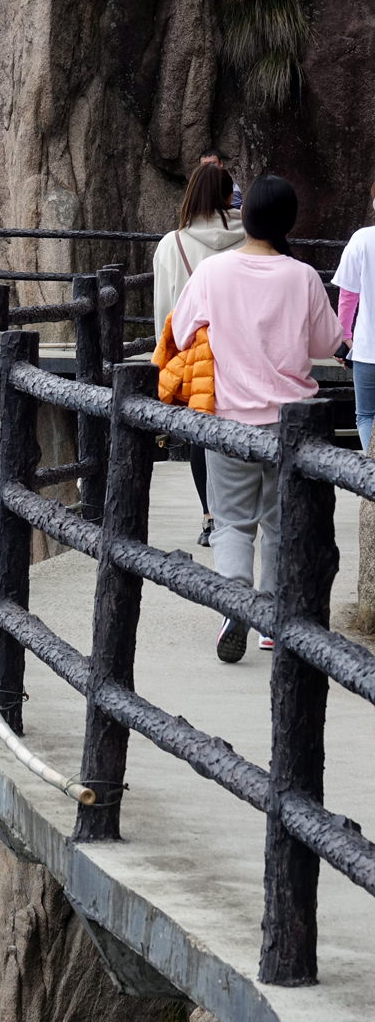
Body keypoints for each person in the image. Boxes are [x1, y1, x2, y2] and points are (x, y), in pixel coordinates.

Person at [169, 174, 343, 663]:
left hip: (230, 420)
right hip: (292, 424)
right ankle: (271, 617)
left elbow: (180, 332)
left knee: (231, 522)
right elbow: (325, 343)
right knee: (282, 523)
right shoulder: (302, 277)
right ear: (288, 221)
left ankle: (235, 604)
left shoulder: (213, 272)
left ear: (243, 216)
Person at [154, 164, 245, 545]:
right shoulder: (250, 237)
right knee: (244, 427)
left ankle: (210, 517)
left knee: (200, 434)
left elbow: (166, 311)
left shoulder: (172, 244)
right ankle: (241, 515)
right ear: (229, 196)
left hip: (195, 354)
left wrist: (165, 360)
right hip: (243, 349)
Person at [331, 182, 375, 453]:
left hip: (368, 349)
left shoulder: (362, 239)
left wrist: (343, 336)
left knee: (366, 415)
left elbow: (348, 296)